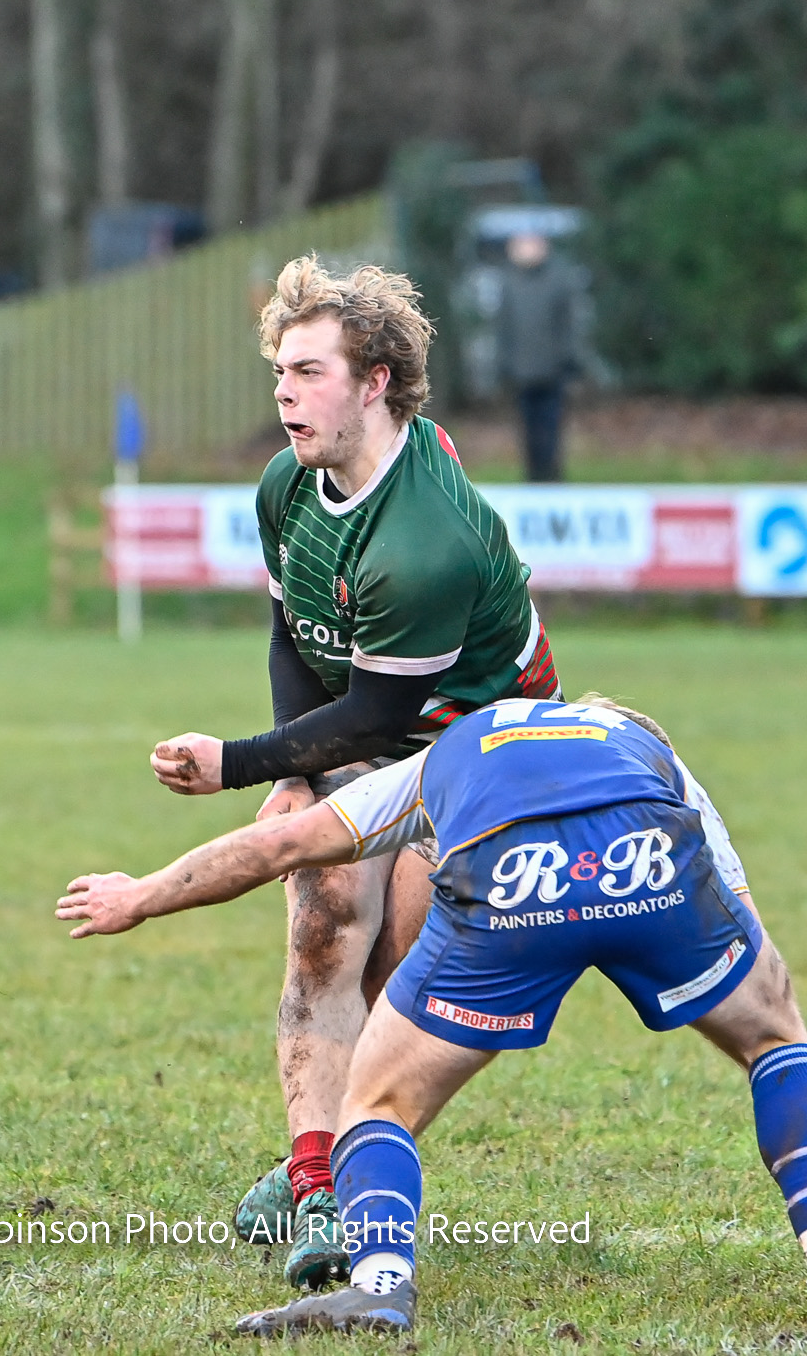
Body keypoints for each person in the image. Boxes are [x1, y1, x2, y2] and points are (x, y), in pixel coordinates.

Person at [61, 695, 807, 1334]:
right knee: (776, 1038)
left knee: (376, 1098)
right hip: (649, 855)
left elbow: (280, 844)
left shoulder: (450, 752)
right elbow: (737, 911)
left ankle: (380, 1287)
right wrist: (756, 999)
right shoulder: (650, 750)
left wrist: (141, 895)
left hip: (514, 877)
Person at [146, 255, 558, 1287]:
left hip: (477, 749)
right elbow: (293, 631)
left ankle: (335, 1163)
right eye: (279, 372)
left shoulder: (422, 539)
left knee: (399, 973)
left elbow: (380, 714)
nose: (284, 394)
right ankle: (319, 1185)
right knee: (325, 923)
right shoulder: (288, 483)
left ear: (375, 383)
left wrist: (238, 763)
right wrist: (290, 774)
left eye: (309, 372)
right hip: (375, 726)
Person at [495, 230, 592, 483]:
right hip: (521, 373)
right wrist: (503, 365)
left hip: (552, 372)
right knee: (528, 429)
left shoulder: (558, 279)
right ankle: (533, 477)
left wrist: (569, 361)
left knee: (551, 428)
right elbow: (503, 328)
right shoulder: (509, 283)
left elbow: (568, 325)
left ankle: (551, 476)